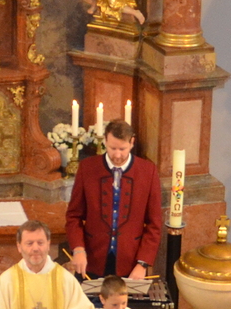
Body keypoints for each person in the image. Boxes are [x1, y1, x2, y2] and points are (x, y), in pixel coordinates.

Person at [65, 120, 164, 280]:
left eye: (122, 149)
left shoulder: (148, 171)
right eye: (112, 148)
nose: (117, 155)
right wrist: (78, 249)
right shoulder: (87, 168)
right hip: (92, 259)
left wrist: (142, 263)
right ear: (105, 141)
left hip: (131, 263)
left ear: (132, 142)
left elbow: (154, 224)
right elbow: (73, 216)